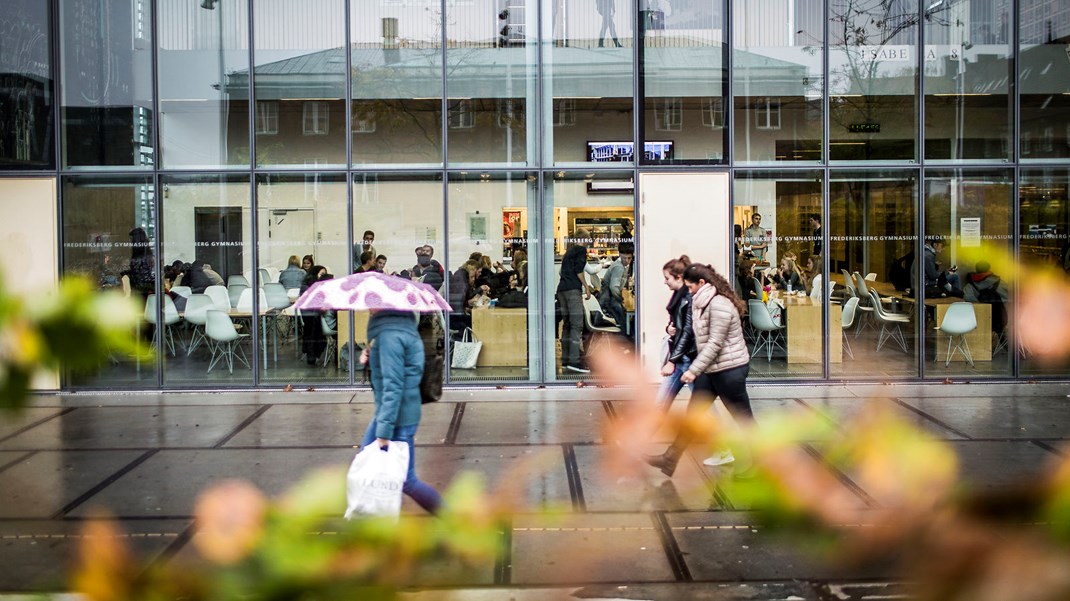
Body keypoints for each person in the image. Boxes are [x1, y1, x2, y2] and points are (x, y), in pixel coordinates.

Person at [645, 263, 755, 478]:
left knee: (744, 420)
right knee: (693, 415)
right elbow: (698, 336)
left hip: (730, 370)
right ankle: (670, 459)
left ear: (701, 283)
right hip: (712, 369)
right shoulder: (701, 302)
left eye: (690, 285)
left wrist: (693, 370)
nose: (688, 289)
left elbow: (715, 343)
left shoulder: (720, 305)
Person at [358, 309, 442, 514]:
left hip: (396, 417)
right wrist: (372, 356)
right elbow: (402, 368)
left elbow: (393, 385)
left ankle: (457, 523)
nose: (369, 307)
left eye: (373, 302)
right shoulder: (399, 330)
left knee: (406, 480)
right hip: (393, 413)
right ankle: (376, 527)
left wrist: (384, 432)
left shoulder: (389, 337)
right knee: (365, 468)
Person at [557, 243, 592, 374]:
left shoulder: (568, 252)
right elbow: (579, 271)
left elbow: (561, 271)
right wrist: (586, 287)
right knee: (577, 325)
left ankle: (566, 359)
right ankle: (574, 361)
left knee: (567, 325)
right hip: (572, 290)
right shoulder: (581, 250)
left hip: (561, 290)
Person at [963, 260, 1009, 337]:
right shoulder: (999, 282)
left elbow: (968, 299)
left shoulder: (970, 285)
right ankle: (1009, 347)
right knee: (1003, 335)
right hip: (1000, 318)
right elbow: (1009, 296)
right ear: (989, 269)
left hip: (980, 319)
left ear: (976, 270)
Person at [599, 242, 634, 332]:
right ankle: (627, 338)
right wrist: (621, 299)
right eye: (624, 258)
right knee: (624, 319)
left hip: (608, 298)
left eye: (629, 258)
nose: (626, 260)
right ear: (619, 255)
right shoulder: (619, 267)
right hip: (609, 300)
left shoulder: (623, 265)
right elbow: (614, 288)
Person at [122, 227, 155, 298]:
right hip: (145, 288)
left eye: (132, 239)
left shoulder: (139, 256)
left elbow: (140, 275)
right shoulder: (147, 253)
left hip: (141, 290)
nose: (130, 242)